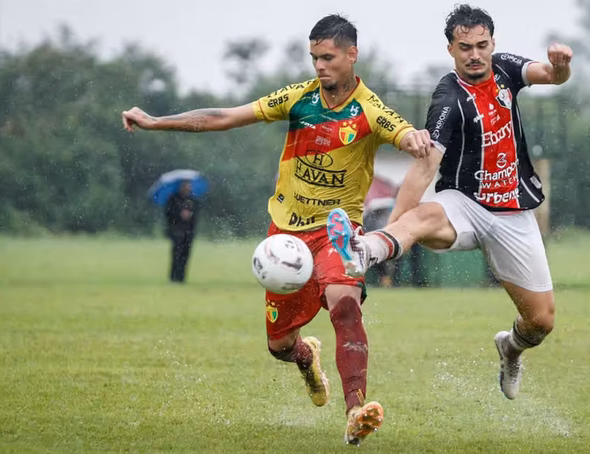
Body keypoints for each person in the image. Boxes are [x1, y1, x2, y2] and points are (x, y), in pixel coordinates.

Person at [121, 14, 433, 446]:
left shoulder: (370, 110)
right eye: (314, 57)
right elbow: (224, 117)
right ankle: (307, 359)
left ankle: (355, 410)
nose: (319, 65)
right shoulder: (298, 98)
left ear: (352, 55)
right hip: (286, 238)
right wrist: (157, 121)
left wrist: (414, 139)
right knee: (280, 346)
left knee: (345, 305)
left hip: (338, 233)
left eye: (328, 57)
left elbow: (403, 132)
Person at [326, 4, 572, 401]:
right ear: (451, 50)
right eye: (464, 47)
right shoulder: (448, 98)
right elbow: (424, 168)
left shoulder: (506, 69)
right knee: (421, 217)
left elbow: (551, 76)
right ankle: (364, 250)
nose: (474, 54)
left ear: (492, 43)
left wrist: (561, 66)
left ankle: (510, 348)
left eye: (481, 45)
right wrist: (393, 231)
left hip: (513, 213)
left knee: (541, 322)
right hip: (464, 204)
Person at [165, 180, 199, 283]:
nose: (187, 188)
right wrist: (179, 214)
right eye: (185, 186)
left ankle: (181, 277)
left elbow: (196, 215)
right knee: (176, 254)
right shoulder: (173, 199)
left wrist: (190, 215)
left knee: (185, 255)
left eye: (188, 186)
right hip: (176, 231)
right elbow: (168, 214)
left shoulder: (192, 200)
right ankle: (173, 277)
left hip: (188, 232)